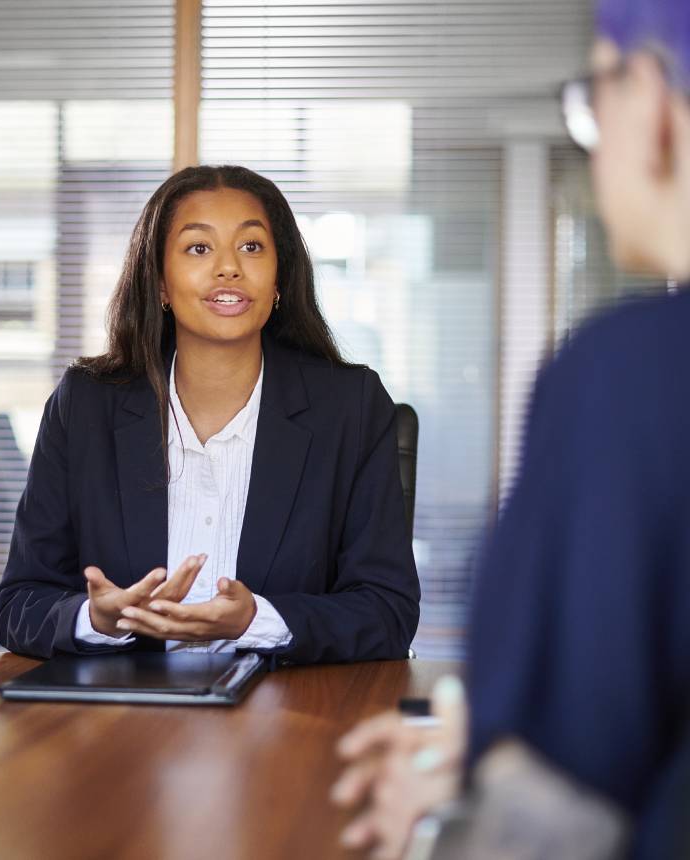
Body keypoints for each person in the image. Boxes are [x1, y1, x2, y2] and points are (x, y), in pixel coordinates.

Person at [331, 1, 690, 856]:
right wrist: (479, 750)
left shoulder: (628, 377)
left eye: (594, 93)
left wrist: (444, 817)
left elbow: (554, 816)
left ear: (652, 102)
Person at [0, 164, 420, 663]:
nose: (228, 268)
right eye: (199, 248)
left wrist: (256, 620)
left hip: (291, 717)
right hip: (121, 717)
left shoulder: (350, 405)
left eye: (252, 246)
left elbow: (388, 612)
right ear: (159, 283)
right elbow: (19, 603)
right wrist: (98, 619)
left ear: (280, 277)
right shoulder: (86, 405)